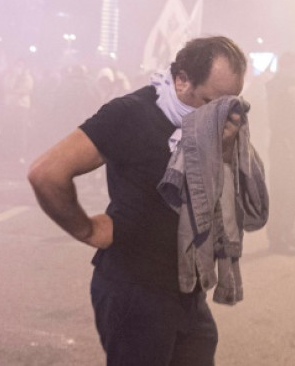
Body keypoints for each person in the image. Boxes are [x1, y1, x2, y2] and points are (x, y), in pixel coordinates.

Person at [28, 36, 248, 365]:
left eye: (228, 105)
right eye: (210, 101)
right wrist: (87, 230)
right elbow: (47, 173)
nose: (220, 114)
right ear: (182, 79)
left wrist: (226, 153)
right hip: (136, 291)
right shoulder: (131, 114)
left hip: (186, 290)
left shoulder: (214, 128)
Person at [265, 51, 295, 253]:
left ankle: (288, 232)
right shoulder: (277, 87)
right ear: (286, 67)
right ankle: (277, 239)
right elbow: (276, 120)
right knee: (281, 194)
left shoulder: (293, 87)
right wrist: (287, 145)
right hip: (284, 148)